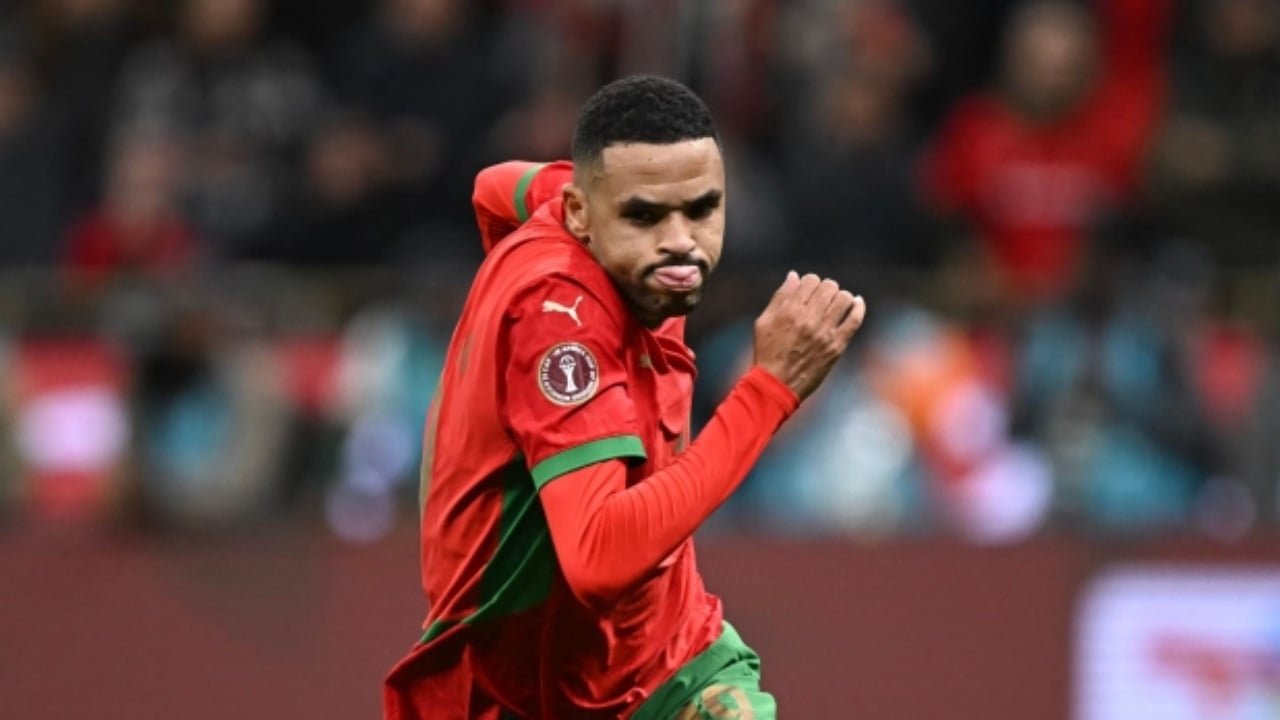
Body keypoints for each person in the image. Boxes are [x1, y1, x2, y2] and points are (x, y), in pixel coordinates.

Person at [383, 75, 866, 719]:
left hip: (669, 667)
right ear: (581, 216)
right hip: (514, 693)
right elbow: (599, 558)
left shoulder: (606, 228)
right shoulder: (561, 323)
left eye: (702, 209)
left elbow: (494, 187)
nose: (680, 241)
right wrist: (769, 391)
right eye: (645, 216)